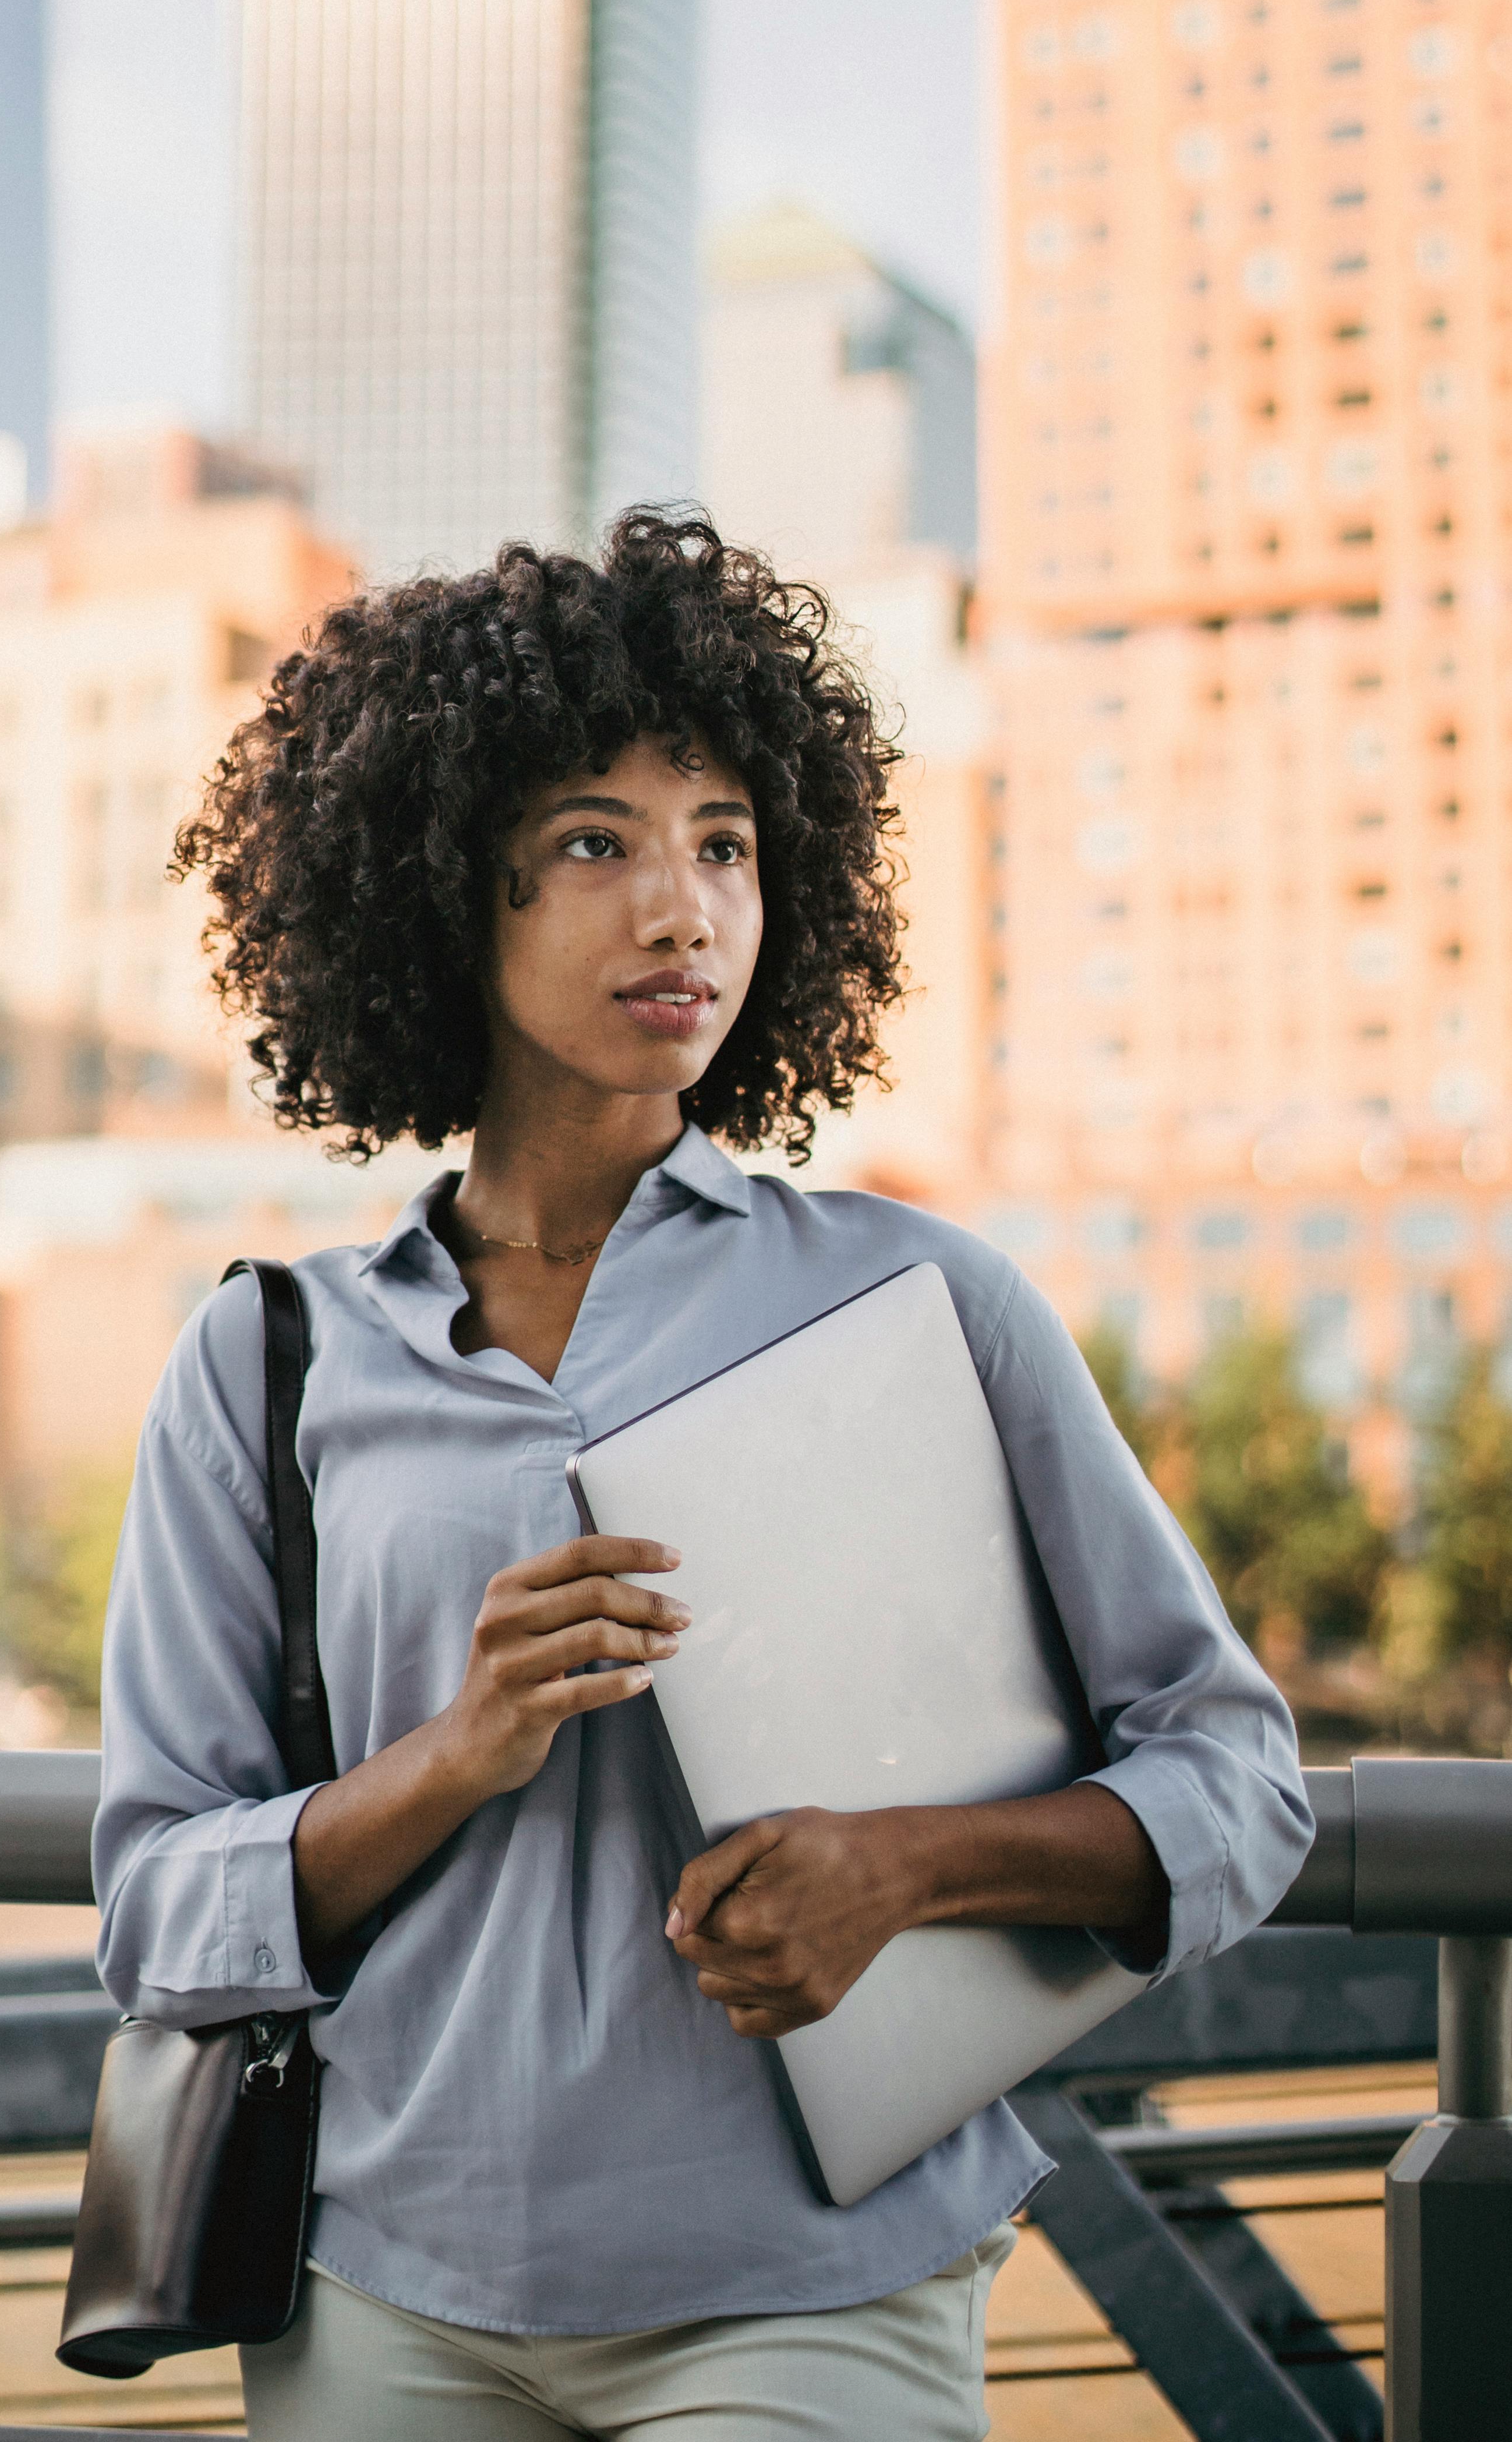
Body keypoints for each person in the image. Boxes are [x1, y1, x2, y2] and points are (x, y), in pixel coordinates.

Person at [93, 511, 1312, 2442]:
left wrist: (901, 1870)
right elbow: (157, 1909)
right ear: (441, 889)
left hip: (813, 2291)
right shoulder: (265, 1363)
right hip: (380, 2296)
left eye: (725, 844)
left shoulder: (923, 1301)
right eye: (598, 843)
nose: (681, 913)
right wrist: (451, 1755)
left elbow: (1237, 1784)